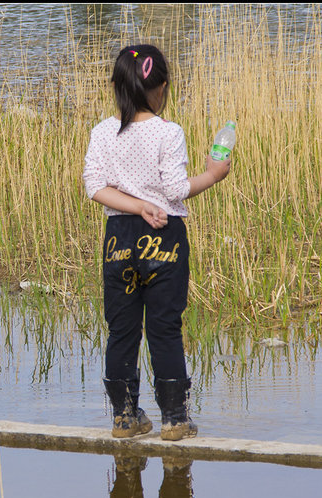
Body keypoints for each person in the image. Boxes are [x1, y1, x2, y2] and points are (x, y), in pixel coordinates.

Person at [83, 44, 231, 439]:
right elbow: (176, 189)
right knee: (165, 327)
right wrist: (213, 175)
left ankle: (124, 417)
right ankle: (174, 419)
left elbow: (94, 187)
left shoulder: (101, 131)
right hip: (163, 238)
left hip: (119, 240)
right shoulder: (168, 132)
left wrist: (135, 205)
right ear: (162, 88)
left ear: (116, 87)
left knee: (122, 329)